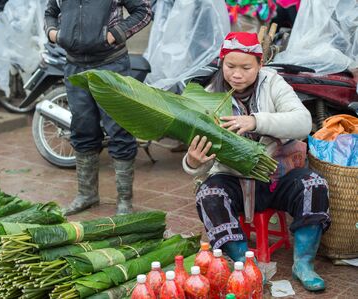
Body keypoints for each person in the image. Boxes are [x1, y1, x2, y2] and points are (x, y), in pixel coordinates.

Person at [182, 32, 330, 291]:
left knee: (314, 184)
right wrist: (194, 162)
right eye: (230, 66)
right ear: (221, 63)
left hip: (278, 176)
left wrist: (256, 121)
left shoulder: (273, 83)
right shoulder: (208, 95)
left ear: (260, 65)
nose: (237, 74)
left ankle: (304, 263)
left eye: (246, 68)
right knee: (209, 193)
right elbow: (200, 157)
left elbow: (303, 122)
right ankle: (243, 264)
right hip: (234, 180)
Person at [44, 0, 152, 216]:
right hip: (75, 66)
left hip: (111, 64)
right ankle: (87, 195)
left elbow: (144, 11)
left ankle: (124, 201)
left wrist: (114, 34)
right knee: (82, 130)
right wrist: (54, 34)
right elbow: (50, 13)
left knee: (120, 131)